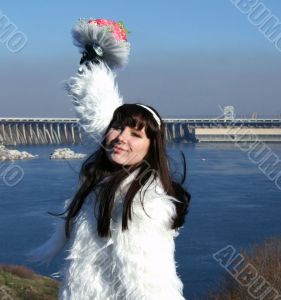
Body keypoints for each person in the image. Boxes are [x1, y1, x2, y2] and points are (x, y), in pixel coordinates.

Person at [30, 18, 191, 300]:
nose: (121, 138)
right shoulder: (113, 176)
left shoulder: (145, 203)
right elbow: (99, 118)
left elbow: (149, 285)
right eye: (118, 128)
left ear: (151, 149)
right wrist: (92, 63)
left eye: (136, 134)